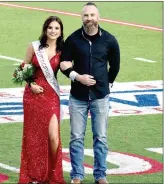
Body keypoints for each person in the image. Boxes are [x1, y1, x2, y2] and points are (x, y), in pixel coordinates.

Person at [60, 2, 120, 184]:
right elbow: (64, 64)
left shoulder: (109, 40)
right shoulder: (73, 39)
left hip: (100, 96)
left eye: (92, 15)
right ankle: (77, 175)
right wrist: (78, 77)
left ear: (98, 17)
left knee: (100, 137)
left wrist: (106, 83)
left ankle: (100, 175)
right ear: (82, 18)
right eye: (86, 16)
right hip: (77, 96)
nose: (89, 19)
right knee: (76, 137)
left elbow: (115, 66)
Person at [18, 16, 66, 184]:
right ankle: (34, 175)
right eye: (50, 27)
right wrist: (31, 85)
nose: (53, 31)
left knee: (54, 137)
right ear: (45, 29)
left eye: (57, 28)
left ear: (61, 32)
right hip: (33, 96)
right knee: (34, 136)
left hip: (51, 95)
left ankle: (52, 173)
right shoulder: (34, 46)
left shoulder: (63, 50)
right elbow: (22, 68)